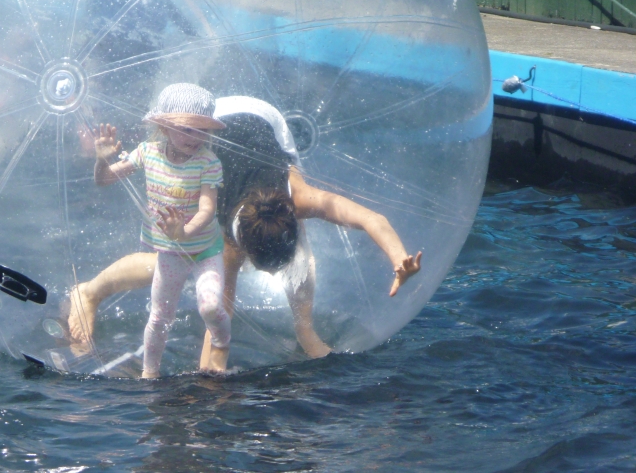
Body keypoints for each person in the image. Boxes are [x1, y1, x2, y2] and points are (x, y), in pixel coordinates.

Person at [70, 95, 422, 370]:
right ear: (241, 246)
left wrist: (399, 260)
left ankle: (304, 328)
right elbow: (218, 321)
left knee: (297, 255)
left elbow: (372, 219)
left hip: (262, 118)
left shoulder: (301, 199)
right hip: (213, 123)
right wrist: (211, 375)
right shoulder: (221, 232)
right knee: (173, 258)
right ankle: (87, 292)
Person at [93, 83, 231, 377]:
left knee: (209, 306)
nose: (195, 138)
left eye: (202, 130)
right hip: (170, 252)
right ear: (164, 127)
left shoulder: (208, 162)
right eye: (186, 129)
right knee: (159, 316)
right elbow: (104, 180)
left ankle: (221, 340)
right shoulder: (147, 152)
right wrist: (101, 160)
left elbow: (207, 209)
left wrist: (184, 232)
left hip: (205, 249)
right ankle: (150, 373)